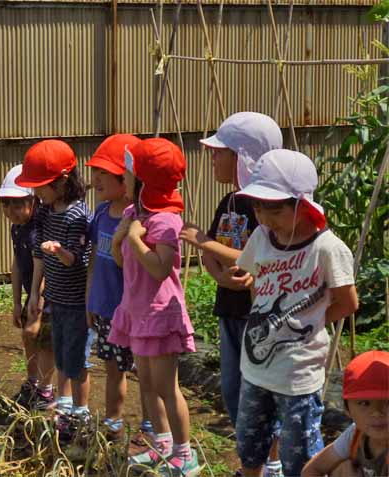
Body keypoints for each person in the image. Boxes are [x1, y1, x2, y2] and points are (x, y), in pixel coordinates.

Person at [231, 149, 360, 477]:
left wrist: (310, 323)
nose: (264, 217)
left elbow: (348, 302)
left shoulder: (326, 248)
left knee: (299, 454)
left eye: (274, 209)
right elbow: (256, 283)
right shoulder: (261, 237)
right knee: (249, 444)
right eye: (258, 207)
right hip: (255, 366)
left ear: (302, 206)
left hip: (298, 373)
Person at [179, 112, 285, 477]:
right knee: (233, 390)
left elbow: (256, 258)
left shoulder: (266, 208)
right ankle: (252, 463)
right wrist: (219, 276)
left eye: (219, 152)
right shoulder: (228, 202)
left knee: (262, 394)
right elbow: (213, 254)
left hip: (259, 317)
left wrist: (202, 242)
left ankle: (271, 465)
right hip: (229, 309)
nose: (212, 158)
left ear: (244, 157)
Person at [110, 138, 200, 476]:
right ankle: (162, 443)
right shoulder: (134, 214)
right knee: (146, 383)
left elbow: (161, 269)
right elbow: (122, 261)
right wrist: (120, 239)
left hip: (160, 313)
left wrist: (134, 238)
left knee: (165, 386)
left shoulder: (165, 221)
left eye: (129, 173)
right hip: (137, 311)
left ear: (145, 181)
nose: (124, 176)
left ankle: (185, 454)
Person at [15, 139, 93, 438]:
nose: (37, 193)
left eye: (41, 186)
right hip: (54, 297)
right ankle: (64, 407)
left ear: (62, 181)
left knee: (76, 359)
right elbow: (38, 253)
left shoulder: (78, 215)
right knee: (60, 354)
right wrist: (35, 293)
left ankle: (81, 413)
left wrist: (59, 251)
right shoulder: (46, 211)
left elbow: (78, 259)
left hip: (76, 300)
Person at [85, 133, 146, 442]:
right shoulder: (100, 213)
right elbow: (95, 258)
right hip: (107, 307)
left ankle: (152, 426)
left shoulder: (139, 219)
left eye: (104, 172)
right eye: (95, 171)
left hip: (135, 311)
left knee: (146, 372)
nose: (96, 179)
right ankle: (113, 422)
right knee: (112, 367)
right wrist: (90, 299)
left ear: (127, 179)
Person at [0, 165, 56, 410]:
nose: (10, 211)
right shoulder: (17, 228)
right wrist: (17, 302)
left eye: (17, 204)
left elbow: (48, 268)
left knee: (44, 339)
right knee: (27, 335)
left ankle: (46, 390)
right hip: (32, 292)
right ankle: (32, 382)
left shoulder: (40, 228)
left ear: (33, 200)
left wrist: (37, 308)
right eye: (5, 204)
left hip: (50, 292)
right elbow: (17, 264)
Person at [302, 350, 388, 477]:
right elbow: (312, 470)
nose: (377, 412)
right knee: (342, 469)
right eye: (364, 403)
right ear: (347, 410)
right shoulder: (355, 435)